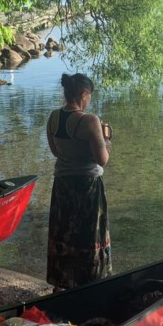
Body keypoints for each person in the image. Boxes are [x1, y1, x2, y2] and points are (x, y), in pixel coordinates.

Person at [45, 72, 113, 292]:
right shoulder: (89, 120)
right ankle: (90, 284)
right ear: (84, 94)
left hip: (63, 185)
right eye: (90, 95)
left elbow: (56, 152)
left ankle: (61, 284)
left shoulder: (54, 117)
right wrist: (107, 141)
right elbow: (102, 160)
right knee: (89, 235)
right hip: (87, 187)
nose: (90, 100)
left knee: (64, 233)